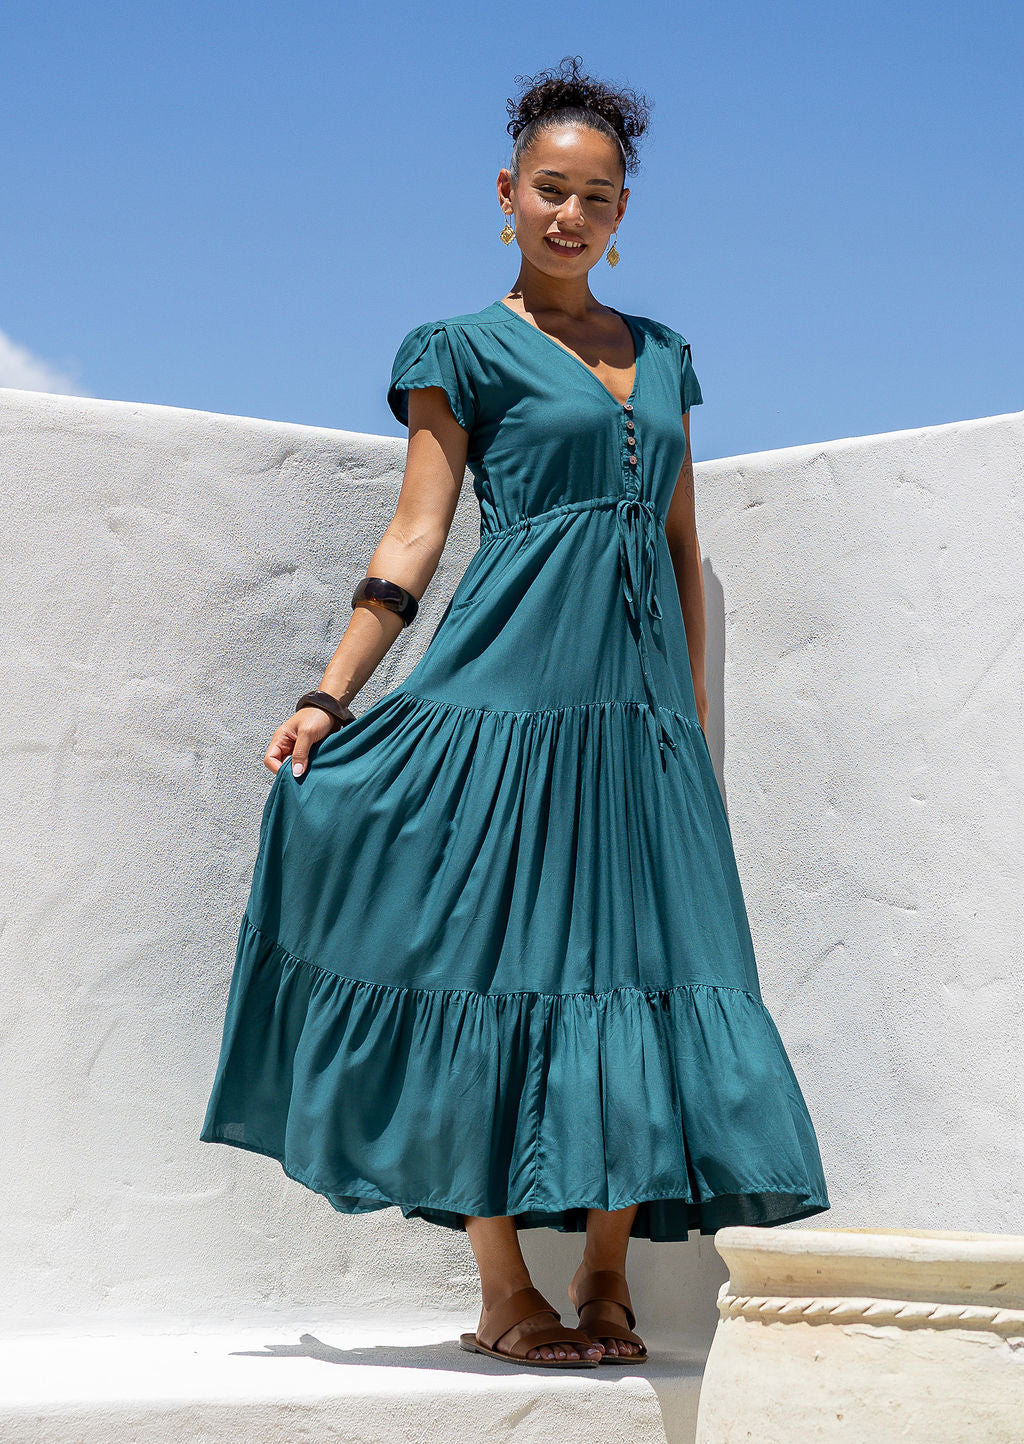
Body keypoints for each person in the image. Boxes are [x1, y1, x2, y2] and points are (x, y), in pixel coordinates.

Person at [200, 54, 831, 1370]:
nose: (570, 214)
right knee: (478, 967)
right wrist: (329, 692)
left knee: (639, 980)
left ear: (621, 212)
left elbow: (678, 546)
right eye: (550, 189)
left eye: (596, 196)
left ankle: (605, 1278)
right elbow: (417, 534)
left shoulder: (665, 357)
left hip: (639, 728)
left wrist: (686, 725)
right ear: (506, 195)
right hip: (504, 699)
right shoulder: (458, 350)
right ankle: (502, 1289)